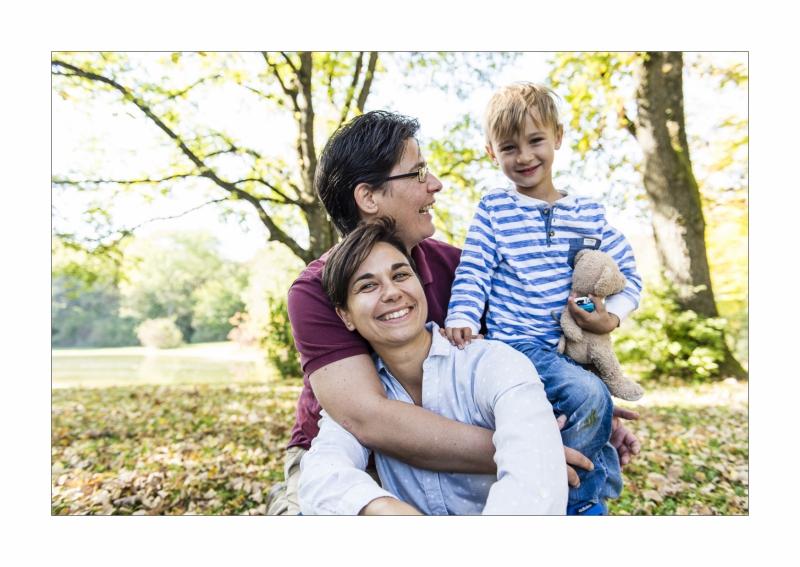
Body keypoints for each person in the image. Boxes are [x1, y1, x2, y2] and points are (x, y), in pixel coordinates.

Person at [266, 110, 641, 516]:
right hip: (359, 459)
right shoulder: (315, 289)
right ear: (368, 197)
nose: (435, 184)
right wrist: (535, 449)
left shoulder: (461, 268)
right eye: (418, 173)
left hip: (455, 448)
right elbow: (368, 420)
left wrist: (586, 413)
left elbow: (517, 353)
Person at [444, 82, 643, 515]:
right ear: (491, 153)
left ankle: (588, 494)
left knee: (592, 405)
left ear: (558, 138)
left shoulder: (589, 212)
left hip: (573, 346)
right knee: (590, 396)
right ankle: (571, 504)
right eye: (509, 147)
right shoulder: (495, 208)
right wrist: (463, 314)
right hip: (518, 343)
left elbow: (629, 276)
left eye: (536, 141)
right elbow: (475, 267)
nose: (525, 156)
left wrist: (611, 320)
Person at [298, 218, 568, 515]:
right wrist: (381, 509)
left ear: (420, 284)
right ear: (345, 316)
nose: (391, 292)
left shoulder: (493, 365)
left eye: (400, 275)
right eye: (368, 285)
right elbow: (320, 475)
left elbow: (534, 476)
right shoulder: (358, 398)